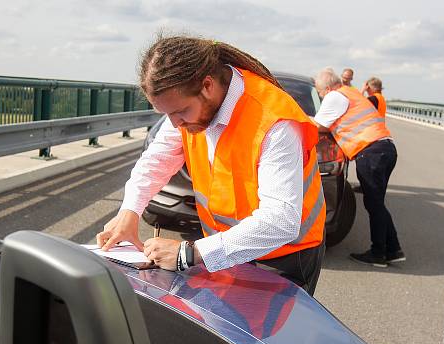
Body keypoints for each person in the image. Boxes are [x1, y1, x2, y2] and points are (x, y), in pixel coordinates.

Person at [96, 36, 326, 295]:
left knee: (263, 335)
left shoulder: (274, 122)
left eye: (180, 112)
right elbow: (157, 159)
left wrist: (188, 253)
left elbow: (281, 221)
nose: (175, 124)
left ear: (207, 86)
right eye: (167, 115)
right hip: (223, 248)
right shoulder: (187, 106)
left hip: (282, 256)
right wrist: (129, 212)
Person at [312, 68, 404, 267]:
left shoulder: (334, 97)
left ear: (326, 88)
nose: (320, 96)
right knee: (376, 203)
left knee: (375, 204)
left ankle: (378, 253)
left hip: (370, 151)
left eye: (319, 92)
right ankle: (393, 249)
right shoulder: (350, 93)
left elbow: (318, 125)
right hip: (385, 148)